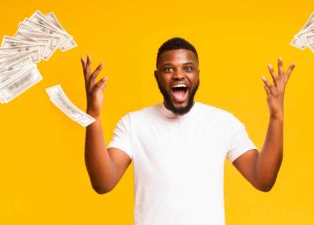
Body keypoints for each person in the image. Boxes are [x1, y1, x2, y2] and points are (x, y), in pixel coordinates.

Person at [81, 37, 295, 225]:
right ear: (157, 77)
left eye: (188, 68)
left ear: (198, 76)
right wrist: (94, 115)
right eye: (168, 69)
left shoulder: (222, 122)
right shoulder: (133, 123)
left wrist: (277, 117)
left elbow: (263, 179)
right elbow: (103, 182)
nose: (178, 75)